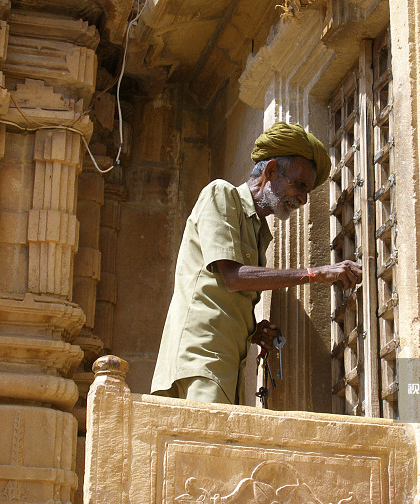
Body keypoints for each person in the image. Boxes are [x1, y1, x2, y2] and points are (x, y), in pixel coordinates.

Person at [150, 122, 362, 404]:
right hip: (201, 360)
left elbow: (221, 295)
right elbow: (233, 277)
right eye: (299, 185)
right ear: (270, 170)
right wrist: (315, 273)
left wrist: (251, 330)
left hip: (227, 366)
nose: (302, 198)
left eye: (307, 191)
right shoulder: (221, 195)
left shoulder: (259, 231)